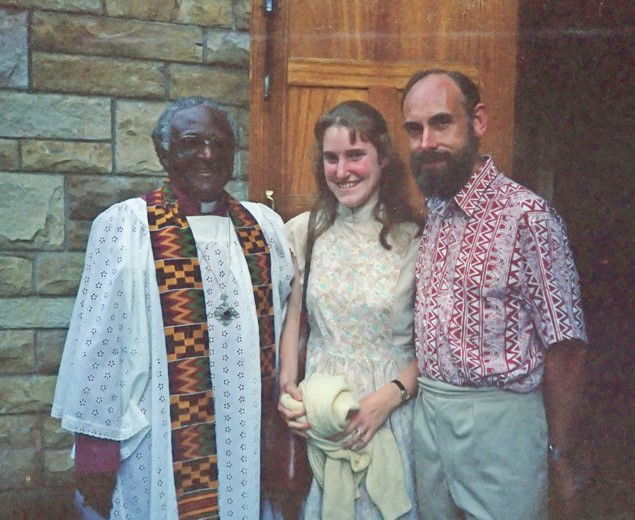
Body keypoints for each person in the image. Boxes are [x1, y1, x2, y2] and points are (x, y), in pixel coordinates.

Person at [51, 96, 294, 519]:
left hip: (249, 441)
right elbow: (99, 351)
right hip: (161, 445)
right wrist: (96, 457)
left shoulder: (264, 227)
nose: (207, 154)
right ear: (163, 152)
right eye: (191, 142)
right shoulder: (128, 228)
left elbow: (290, 324)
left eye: (219, 144)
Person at [401, 69, 588, 520]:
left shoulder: (527, 217)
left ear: (478, 122)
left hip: (501, 427)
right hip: (428, 420)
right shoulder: (433, 214)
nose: (426, 141)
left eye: (441, 123)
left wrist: (558, 453)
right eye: (414, 129)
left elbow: (567, 348)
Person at [278, 100, 422, 519]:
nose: (343, 171)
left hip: (391, 413)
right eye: (331, 158)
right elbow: (295, 319)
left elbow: (433, 346)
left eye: (356, 155)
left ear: (383, 158)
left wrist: (388, 399)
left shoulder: (413, 239)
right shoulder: (306, 231)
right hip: (323, 416)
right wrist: (290, 390)